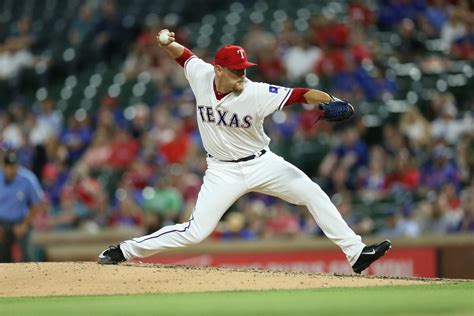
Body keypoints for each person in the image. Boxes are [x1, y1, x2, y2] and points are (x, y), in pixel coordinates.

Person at [98, 29, 391, 274]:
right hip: (222, 171)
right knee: (195, 232)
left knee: (312, 193)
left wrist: (329, 99)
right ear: (219, 70)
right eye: (236, 71)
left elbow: (300, 94)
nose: (241, 75)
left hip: (263, 164)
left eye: (243, 70)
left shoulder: (256, 92)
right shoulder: (201, 75)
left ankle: (356, 253)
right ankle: (123, 250)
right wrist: (166, 43)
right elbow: (184, 56)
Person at [0, 151, 45, 262]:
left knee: (27, 256)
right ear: (4, 166)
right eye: (9, 167)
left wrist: (24, 224)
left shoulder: (28, 179)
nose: (12, 170)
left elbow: (37, 204)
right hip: (2, 222)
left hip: (22, 220)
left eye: (14, 166)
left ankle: (33, 279)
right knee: (3, 258)